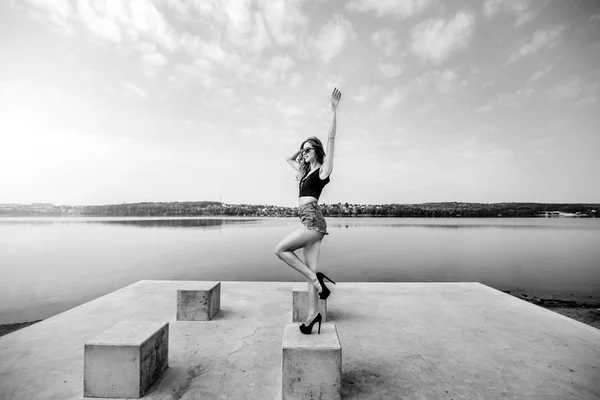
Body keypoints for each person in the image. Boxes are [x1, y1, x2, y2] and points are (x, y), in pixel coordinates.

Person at [275, 88, 342, 335]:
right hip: (308, 218)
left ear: (318, 151)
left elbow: (332, 139)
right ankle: (313, 316)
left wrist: (333, 111)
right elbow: (287, 158)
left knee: (280, 249)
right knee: (309, 270)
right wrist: (302, 145)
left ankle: (317, 280)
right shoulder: (303, 173)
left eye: (308, 150)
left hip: (313, 219)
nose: (304, 153)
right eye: (303, 150)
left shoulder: (322, 171)